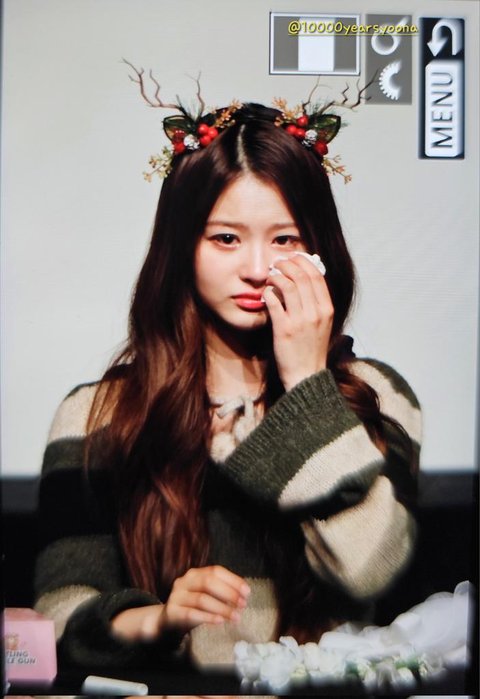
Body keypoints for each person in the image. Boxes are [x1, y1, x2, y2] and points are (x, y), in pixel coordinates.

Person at [34, 100, 422, 670]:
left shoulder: (373, 393)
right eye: (225, 239)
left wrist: (308, 383)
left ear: (319, 250)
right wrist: (158, 618)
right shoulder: (101, 411)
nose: (257, 268)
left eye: (285, 240)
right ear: (182, 246)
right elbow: (57, 619)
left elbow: (369, 570)